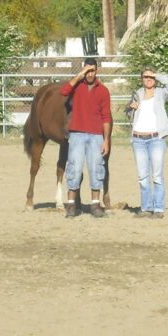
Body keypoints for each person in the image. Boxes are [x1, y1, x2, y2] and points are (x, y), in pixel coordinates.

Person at [60, 58, 112, 218]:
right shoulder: (76, 87)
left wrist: (106, 140)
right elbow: (64, 91)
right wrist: (79, 75)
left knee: (96, 168)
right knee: (74, 168)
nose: (90, 74)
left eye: (92, 71)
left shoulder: (103, 91)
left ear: (97, 71)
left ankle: (95, 204)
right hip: (77, 134)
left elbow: (106, 117)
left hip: (96, 135)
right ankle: (71, 205)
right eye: (87, 71)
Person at [126, 68, 168, 218]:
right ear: (141, 79)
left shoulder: (161, 93)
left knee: (157, 175)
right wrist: (130, 108)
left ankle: (159, 208)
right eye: (145, 77)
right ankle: (146, 207)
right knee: (142, 176)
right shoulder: (137, 94)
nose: (148, 79)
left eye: (150, 77)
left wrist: (156, 75)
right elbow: (129, 114)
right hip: (138, 139)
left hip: (156, 139)